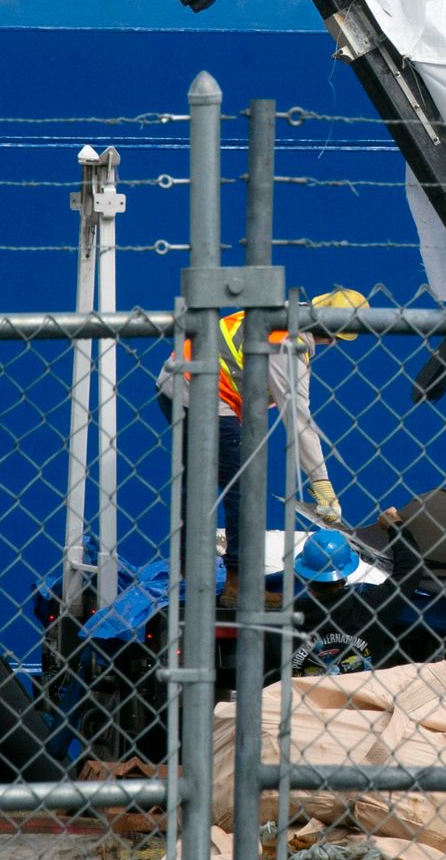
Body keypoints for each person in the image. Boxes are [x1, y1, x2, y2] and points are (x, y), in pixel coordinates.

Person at [158, 287, 367, 605]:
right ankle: (238, 584)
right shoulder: (289, 344)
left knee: (199, 485)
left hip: (174, 383)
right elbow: (298, 419)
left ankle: (188, 570)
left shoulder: (280, 310)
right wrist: (321, 483)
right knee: (243, 489)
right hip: (205, 394)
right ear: (332, 335)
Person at [275, 507, 431, 681]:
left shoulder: (284, 619)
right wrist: (394, 525)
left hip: (302, 705)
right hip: (360, 703)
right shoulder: (371, 607)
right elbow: (411, 568)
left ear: (305, 576)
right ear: (346, 572)